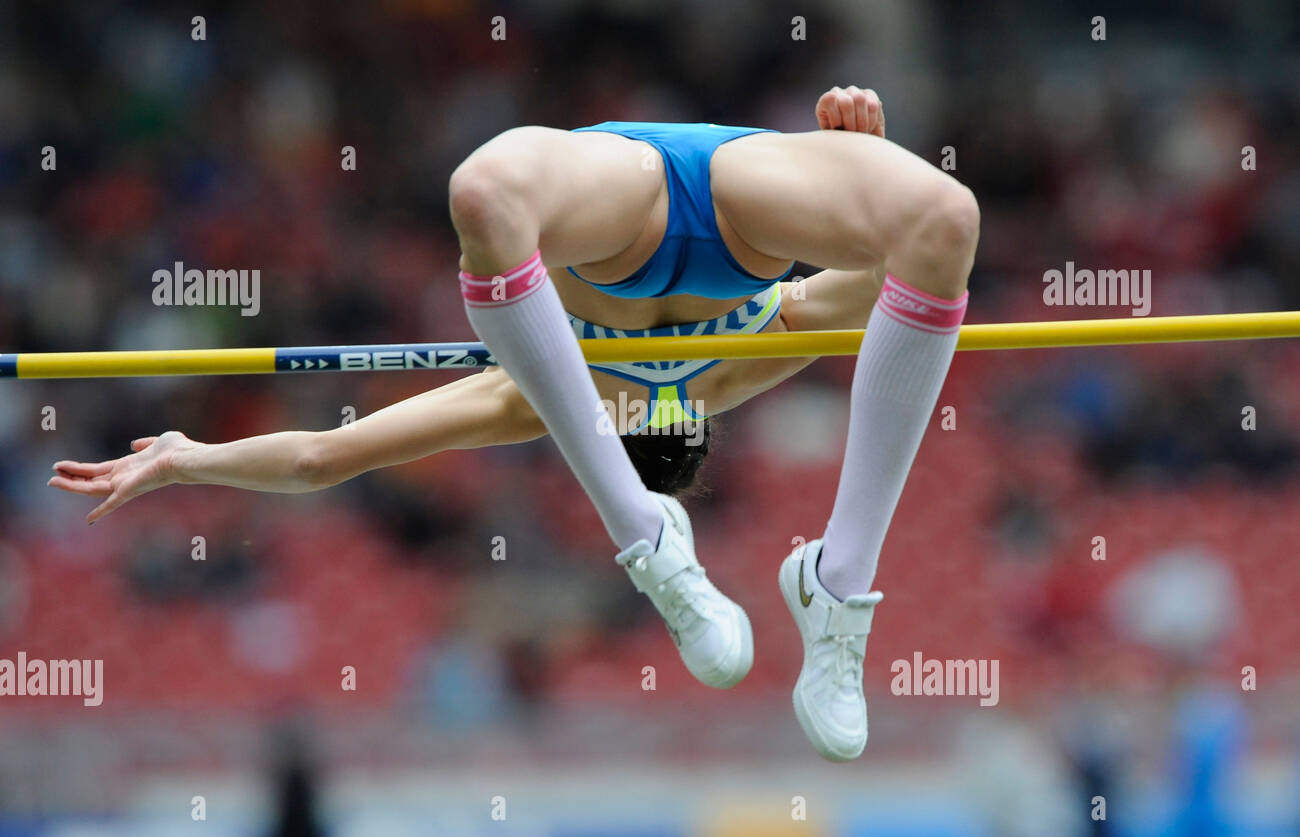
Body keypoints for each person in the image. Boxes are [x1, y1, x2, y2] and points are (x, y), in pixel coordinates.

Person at [50, 86, 980, 760]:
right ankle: (707, 550)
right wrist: (868, 163)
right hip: (733, 196)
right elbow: (897, 271)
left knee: (485, 196)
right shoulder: (763, 348)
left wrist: (191, 458)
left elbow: (324, 457)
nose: (644, 406)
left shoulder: (531, 393)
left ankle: (765, 566)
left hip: (634, 206)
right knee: (941, 217)